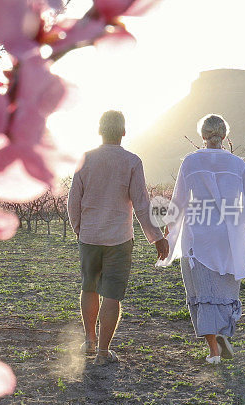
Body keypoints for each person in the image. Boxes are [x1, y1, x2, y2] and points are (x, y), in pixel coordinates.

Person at [157, 114, 245, 365]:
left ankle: (213, 350)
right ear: (224, 136)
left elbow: (179, 201)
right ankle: (223, 333)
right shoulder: (238, 164)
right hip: (231, 238)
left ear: (203, 135)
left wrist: (169, 232)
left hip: (200, 236)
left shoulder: (191, 162)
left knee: (202, 291)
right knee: (226, 289)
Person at [68, 110, 169, 365]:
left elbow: (73, 202)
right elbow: (142, 204)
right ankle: (103, 353)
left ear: (99, 130)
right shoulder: (132, 162)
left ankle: (89, 341)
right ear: (124, 132)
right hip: (119, 240)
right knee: (111, 294)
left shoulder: (86, 159)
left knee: (88, 286)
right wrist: (157, 237)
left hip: (89, 237)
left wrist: (80, 228)